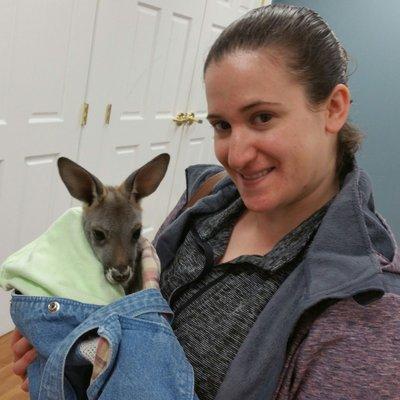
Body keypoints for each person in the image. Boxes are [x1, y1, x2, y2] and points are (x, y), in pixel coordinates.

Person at [11, 4, 400, 399]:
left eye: (262, 117)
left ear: (333, 108)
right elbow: (134, 318)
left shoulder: (368, 307)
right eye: (222, 125)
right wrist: (69, 357)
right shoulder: (208, 198)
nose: (237, 155)